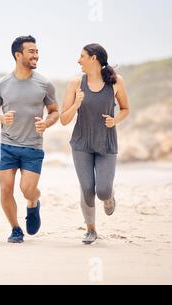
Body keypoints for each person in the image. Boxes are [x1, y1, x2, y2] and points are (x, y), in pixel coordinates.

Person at [0, 35, 59, 243]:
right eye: (31, 51)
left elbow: (55, 112)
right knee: (5, 188)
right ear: (18, 55)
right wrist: (1, 118)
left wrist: (46, 123)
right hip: (7, 144)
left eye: (36, 51)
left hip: (32, 146)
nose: (36, 55)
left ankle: (34, 201)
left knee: (27, 190)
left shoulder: (45, 84)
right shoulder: (1, 84)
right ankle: (15, 229)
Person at [60, 43, 130, 245]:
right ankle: (91, 230)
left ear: (94, 58)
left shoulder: (116, 82)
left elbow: (125, 108)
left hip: (106, 143)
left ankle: (109, 196)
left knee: (103, 190)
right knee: (87, 189)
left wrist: (115, 120)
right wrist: (76, 104)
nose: (78, 60)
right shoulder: (75, 83)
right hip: (81, 144)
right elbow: (64, 119)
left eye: (81, 56)